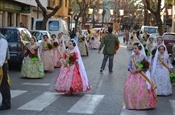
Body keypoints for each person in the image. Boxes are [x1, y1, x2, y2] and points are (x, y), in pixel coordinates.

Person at [124, 42, 157, 110]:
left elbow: (147, 67)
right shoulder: (132, 57)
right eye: (133, 49)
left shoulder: (143, 57)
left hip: (141, 75)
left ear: (139, 48)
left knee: (141, 89)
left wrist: (139, 70)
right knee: (130, 88)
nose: (134, 50)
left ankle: (142, 104)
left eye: (135, 48)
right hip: (132, 75)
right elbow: (129, 65)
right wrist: (131, 70)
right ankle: (132, 104)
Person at [0, 34, 11, 110]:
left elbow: (2, 56)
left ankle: (6, 103)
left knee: (3, 84)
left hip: (2, 65)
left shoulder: (2, 40)